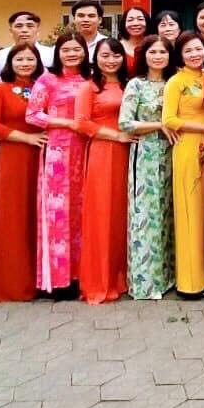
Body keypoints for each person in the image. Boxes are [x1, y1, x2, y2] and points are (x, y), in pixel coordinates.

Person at [26, 31, 91, 297]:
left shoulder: (89, 79)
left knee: (82, 212)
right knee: (57, 214)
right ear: (58, 52)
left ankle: (80, 275)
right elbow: (32, 114)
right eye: (66, 50)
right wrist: (66, 123)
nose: (72, 54)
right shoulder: (47, 80)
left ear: (85, 52)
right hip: (58, 153)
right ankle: (57, 278)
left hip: (86, 150)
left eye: (77, 49)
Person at [0, 43, 46, 303]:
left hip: (41, 156)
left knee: (36, 215)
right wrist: (25, 138)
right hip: (13, 156)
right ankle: (13, 284)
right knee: (13, 215)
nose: (25, 63)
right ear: (10, 62)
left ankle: (39, 278)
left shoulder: (41, 88)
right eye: (20, 59)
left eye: (31, 59)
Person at [117, 35, 176, 300]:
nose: (158, 56)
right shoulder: (136, 85)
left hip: (173, 153)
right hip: (146, 156)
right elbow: (125, 123)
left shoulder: (173, 83)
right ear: (144, 56)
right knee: (146, 217)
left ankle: (170, 277)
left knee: (168, 216)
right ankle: (146, 282)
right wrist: (159, 125)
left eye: (163, 52)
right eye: (153, 52)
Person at [74, 38, 132, 304]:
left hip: (129, 152)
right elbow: (82, 123)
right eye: (105, 55)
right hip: (103, 152)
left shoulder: (127, 84)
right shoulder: (89, 87)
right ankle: (100, 280)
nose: (111, 60)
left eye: (116, 55)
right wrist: (115, 136)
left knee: (122, 215)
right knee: (102, 215)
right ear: (95, 58)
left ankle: (120, 277)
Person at [163, 33, 204, 299]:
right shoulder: (176, 81)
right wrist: (203, 127)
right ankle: (190, 283)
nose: (195, 54)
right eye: (188, 51)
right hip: (186, 147)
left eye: (198, 49)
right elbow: (169, 119)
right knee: (189, 212)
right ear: (180, 55)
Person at [119, 6, 152, 74]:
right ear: (124, 23)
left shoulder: (155, 45)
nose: (135, 23)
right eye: (130, 20)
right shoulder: (117, 47)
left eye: (140, 19)